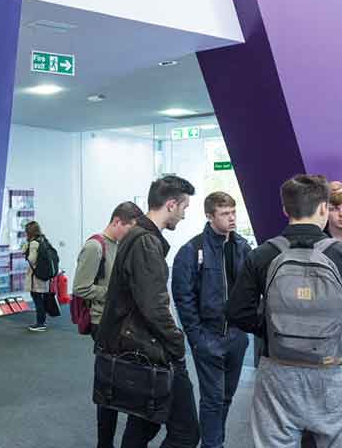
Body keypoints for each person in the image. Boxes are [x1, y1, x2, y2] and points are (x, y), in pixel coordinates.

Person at [226, 175, 342, 448]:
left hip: (277, 372)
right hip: (332, 371)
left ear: (285, 210)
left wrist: (271, 328)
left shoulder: (263, 254)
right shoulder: (339, 254)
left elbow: (236, 311)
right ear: (324, 208)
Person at [96, 175, 199, 448]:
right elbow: (153, 305)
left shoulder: (138, 237)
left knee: (143, 424)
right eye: (184, 208)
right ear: (170, 204)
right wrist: (177, 342)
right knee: (185, 433)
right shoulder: (145, 242)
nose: (184, 215)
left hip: (143, 348)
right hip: (153, 349)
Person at [171, 192, 252, 448]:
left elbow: (251, 291)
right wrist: (197, 338)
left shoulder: (243, 247)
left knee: (226, 397)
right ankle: (212, 445)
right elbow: (183, 297)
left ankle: (216, 441)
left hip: (237, 337)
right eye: (224, 214)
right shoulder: (191, 250)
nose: (231, 218)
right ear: (209, 216)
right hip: (209, 337)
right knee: (212, 399)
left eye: (233, 212)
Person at [73, 201, 144, 448]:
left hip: (118, 321)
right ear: (116, 222)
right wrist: (114, 292)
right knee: (109, 385)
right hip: (101, 323)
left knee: (116, 383)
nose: (132, 234)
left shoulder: (119, 244)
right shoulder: (95, 247)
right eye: (130, 228)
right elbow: (80, 287)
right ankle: (104, 443)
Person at [23, 221, 52, 332]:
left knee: (37, 299)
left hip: (36, 276)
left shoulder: (34, 243)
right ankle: (42, 321)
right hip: (43, 275)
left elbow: (32, 259)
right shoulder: (44, 240)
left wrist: (27, 249)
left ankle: (40, 323)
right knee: (40, 298)